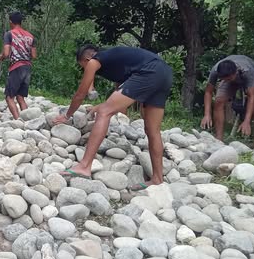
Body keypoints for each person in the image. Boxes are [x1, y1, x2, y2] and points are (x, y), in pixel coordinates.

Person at [53, 45, 173, 190]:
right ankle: (157, 179)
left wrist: (67, 115)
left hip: (150, 71)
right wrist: (103, 106)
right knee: (152, 130)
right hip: (165, 73)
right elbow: (120, 102)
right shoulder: (117, 62)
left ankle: (84, 166)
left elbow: (80, 94)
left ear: (87, 59)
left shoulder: (95, 61)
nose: (85, 69)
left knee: (104, 112)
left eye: (82, 66)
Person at [201, 55, 254, 148]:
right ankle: (219, 140)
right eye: (223, 79)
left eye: (228, 79)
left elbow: (251, 96)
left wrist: (247, 121)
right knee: (218, 101)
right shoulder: (215, 70)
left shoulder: (247, 70)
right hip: (230, 76)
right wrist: (207, 114)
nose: (226, 80)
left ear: (235, 72)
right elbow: (208, 92)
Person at [0, 11, 37, 119]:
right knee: (20, 97)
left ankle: (17, 120)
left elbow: (6, 53)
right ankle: (28, 121)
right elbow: (34, 55)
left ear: (10, 22)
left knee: (9, 97)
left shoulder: (9, 34)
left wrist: (2, 56)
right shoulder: (30, 36)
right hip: (27, 67)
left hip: (16, 67)